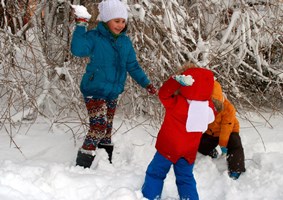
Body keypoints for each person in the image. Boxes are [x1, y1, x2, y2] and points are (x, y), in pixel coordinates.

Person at [70, 0, 157, 168]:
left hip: (113, 92)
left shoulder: (125, 42)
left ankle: (104, 162)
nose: (120, 25)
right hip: (94, 89)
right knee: (99, 126)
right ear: (107, 20)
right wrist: (81, 25)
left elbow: (133, 66)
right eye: (116, 21)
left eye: (123, 21)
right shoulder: (95, 37)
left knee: (107, 129)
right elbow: (78, 49)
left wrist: (146, 83)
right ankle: (83, 163)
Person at [142, 65, 216, 200]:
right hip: (189, 152)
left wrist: (175, 81)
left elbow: (163, 93)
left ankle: (150, 196)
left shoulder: (176, 103)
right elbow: (211, 108)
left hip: (168, 148)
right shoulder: (208, 108)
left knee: (156, 173)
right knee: (185, 178)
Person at [198, 81, 246, 180]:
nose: (213, 104)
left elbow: (226, 128)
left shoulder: (228, 108)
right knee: (201, 145)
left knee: (235, 144)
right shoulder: (205, 106)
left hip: (230, 130)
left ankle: (236, 169)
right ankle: (212, 153)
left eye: (215, 101)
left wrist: (223, 145)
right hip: (212, 132)